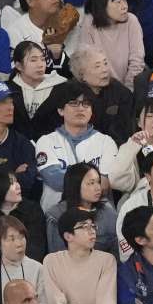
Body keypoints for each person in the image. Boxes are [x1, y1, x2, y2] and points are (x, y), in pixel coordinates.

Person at [32, 81, 120, 212]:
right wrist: (91, 182)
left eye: (86, 104)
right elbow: (55, 181)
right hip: (57, 214)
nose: (81, 108)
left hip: (98, 214)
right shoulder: (46, 141)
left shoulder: (106, 142)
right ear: (60, 110)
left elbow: (104, 184)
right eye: (74, 103)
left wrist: (75, 181)